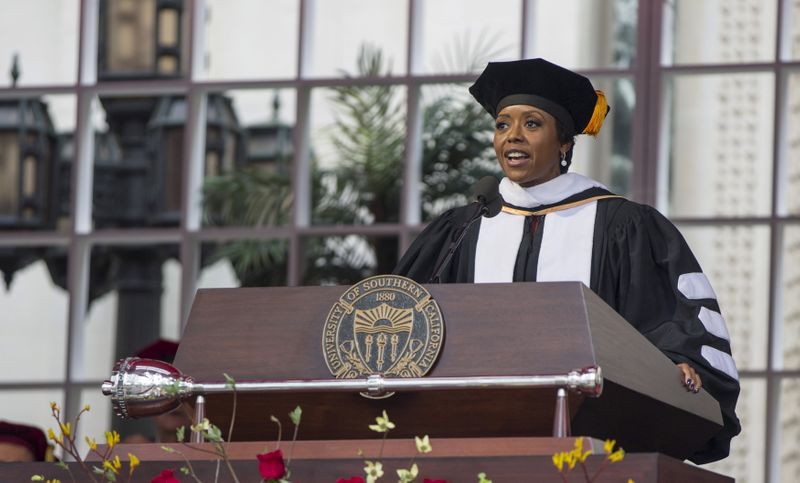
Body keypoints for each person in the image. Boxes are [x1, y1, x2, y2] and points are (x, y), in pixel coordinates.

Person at [394, 58, 740, 463]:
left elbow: (673, 320)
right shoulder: (463, 228)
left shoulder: (623, 226)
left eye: (532, 124)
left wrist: (679, 362)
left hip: (594, 445)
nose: (513, 137)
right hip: (471, 442)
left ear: (564, 144)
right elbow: (403, 318)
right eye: (503, 124)